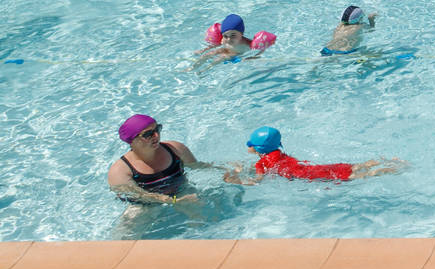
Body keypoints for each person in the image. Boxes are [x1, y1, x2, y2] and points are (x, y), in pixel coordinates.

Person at [107, 115, 223, 206]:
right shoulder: (120, 170)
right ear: (132, 141)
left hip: (182, 191)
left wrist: (226, 170)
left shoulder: (175, 149)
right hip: (145, 206)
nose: (156, 135)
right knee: (126, 232)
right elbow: (140, 196)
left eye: (157, 129)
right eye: (148, 134)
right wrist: (173, 201)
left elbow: (198, 166)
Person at [233, 128, 403, 184]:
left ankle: (391, 169)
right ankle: (383, 160)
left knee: (359, 176)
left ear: (258, 148)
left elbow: (257, 181)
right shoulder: (279, 153)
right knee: (354, 167)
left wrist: (238, 174)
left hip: (312, 175)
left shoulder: (261, 164)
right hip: (313, 168)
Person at [199, 14, 266, 61]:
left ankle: (203, 71)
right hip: (226, 50)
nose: (229, 39)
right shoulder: (224, 39)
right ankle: (192, 68)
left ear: (241, 33)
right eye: (225, 36)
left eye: (233, 35)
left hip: (237, 54)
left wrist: (252, 57)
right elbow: (215, 45)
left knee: (221, 58)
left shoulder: (249, 43)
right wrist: (203, 50)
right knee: (209, 54)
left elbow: (262, 49)